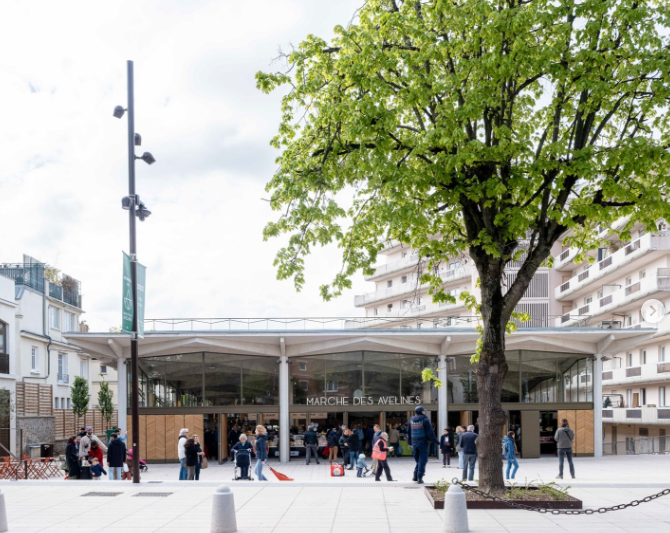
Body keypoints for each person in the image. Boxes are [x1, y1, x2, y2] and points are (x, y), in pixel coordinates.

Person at [406, 406, 440, 484]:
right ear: (421, 412)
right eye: (424, 411)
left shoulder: (411, 420)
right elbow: (430, 433)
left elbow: (408, 433)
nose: (424, 412)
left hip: (414, 443)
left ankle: (415, 476)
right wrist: (438, 442)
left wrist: (410, 443)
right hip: (423, 443)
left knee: (418, 461)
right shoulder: (425, 419)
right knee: (423, 461)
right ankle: (420, 478)